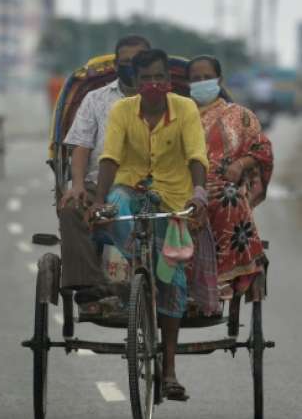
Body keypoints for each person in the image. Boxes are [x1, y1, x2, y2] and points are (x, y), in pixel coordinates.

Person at [89, 48, 209, 402]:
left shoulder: (184, 108)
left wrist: (199, 191)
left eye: (159, 77)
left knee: (173, 277)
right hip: (130, 187)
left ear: (168, 81)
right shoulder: (122, 111)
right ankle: (137, 271)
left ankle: (170, 370)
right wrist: (99, 201)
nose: (154, 83)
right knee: (118, 206)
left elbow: (196, 155)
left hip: (174, 197)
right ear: (135, 83)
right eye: (146, 78)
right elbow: (110, 156)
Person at [58, 35, 150, 305]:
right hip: (99, 180)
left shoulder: (168, 101)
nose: (131, 67)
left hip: (150, 183)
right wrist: (76, 185)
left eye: (138, 62)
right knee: (72, 207)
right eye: (125, 62)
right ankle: (92, 283)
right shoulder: (96, 99)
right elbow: (82, 145)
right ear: (116, 65)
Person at [186, 56, 272, 299]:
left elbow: (262, 150)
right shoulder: (179, 114)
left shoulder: (240, 115)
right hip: (182, 187)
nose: (201, 82)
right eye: (195, 79)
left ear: (219, 80)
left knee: (229, 196)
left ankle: (226, 276)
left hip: (224, 187)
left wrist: (241, 163)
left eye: (206, 78)